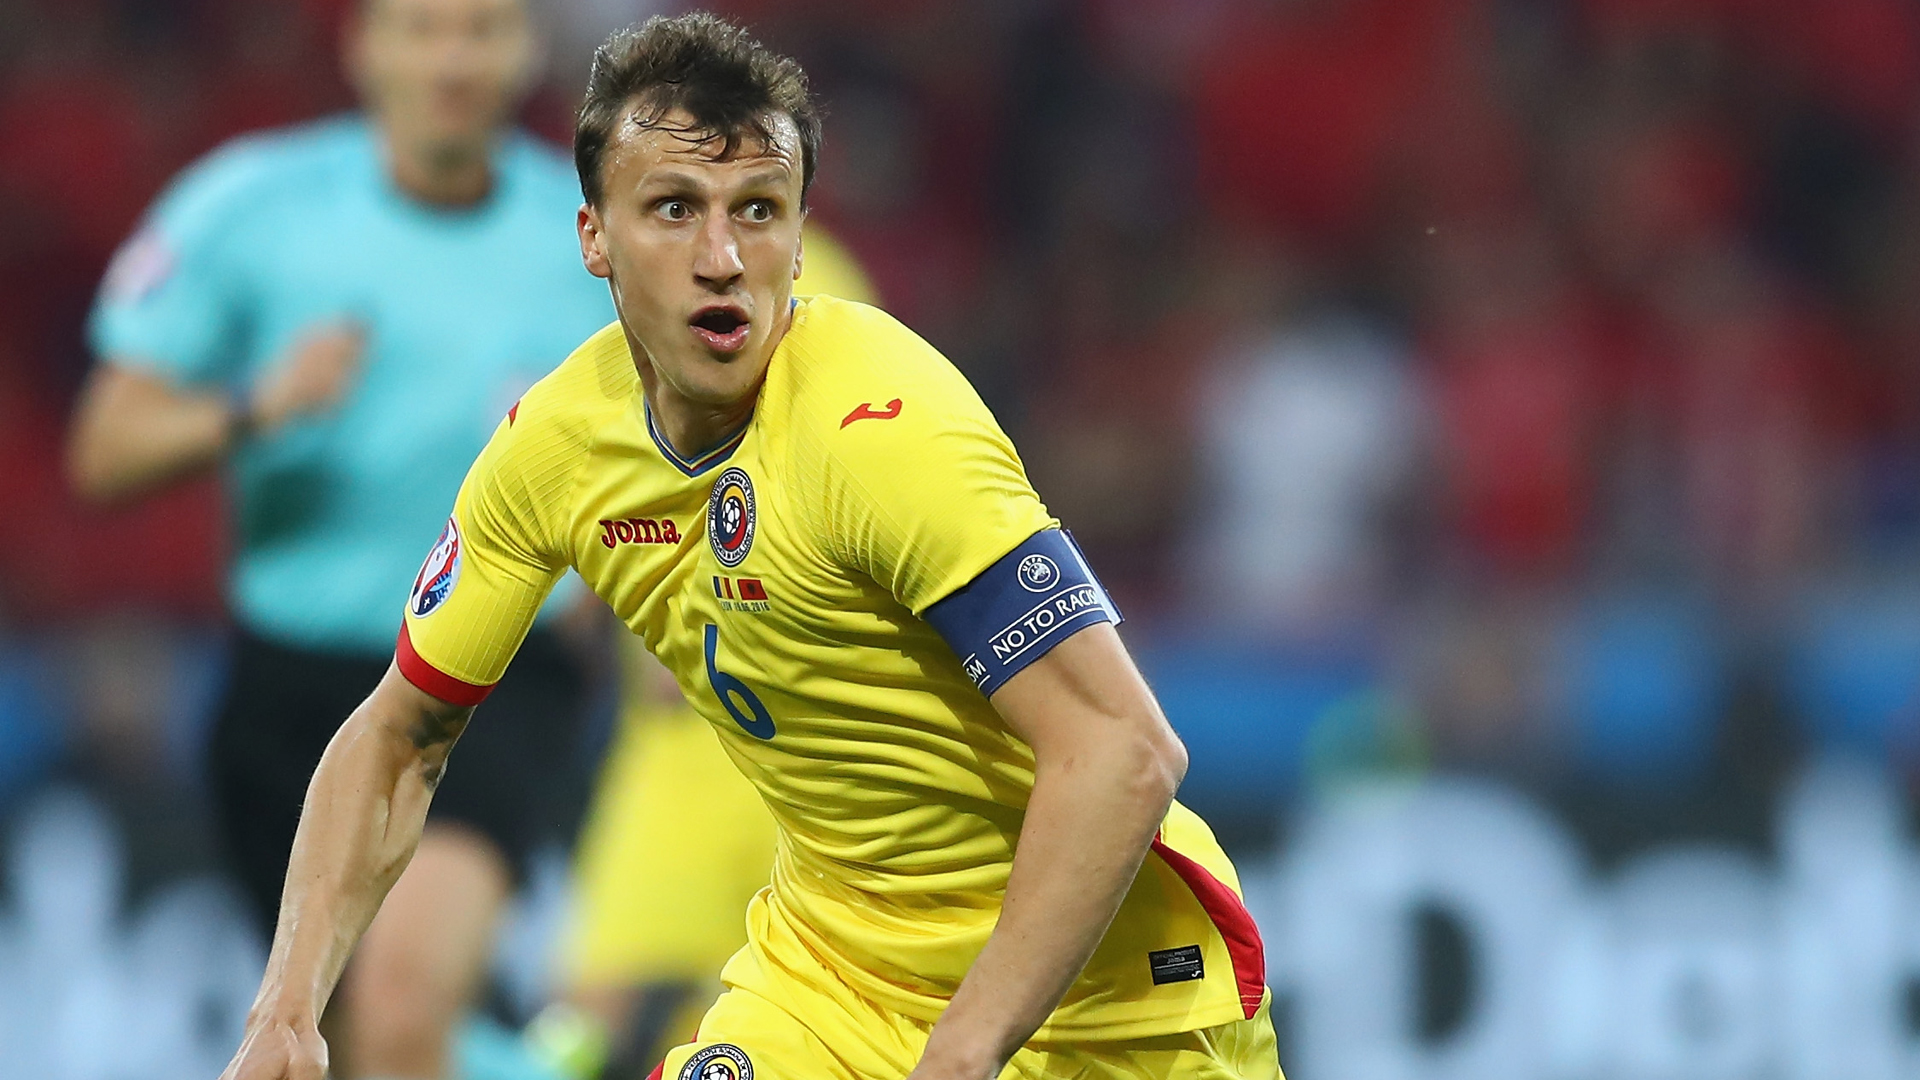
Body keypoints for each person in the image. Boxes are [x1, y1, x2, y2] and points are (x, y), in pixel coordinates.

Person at [219, 12, 1282, 1080]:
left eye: (759, 211)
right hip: (833, 984)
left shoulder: (879, 423)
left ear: (801, 236)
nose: (722, 259)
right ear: (593, 237)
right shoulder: (557, 449)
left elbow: (1122, 749)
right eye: (674, 209)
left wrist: (962, 1052)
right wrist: (287, 1009)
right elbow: (399, 735)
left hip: (1104, 1002)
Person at [67, 0, 611, 1077]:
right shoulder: (250, 207)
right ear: (365, 47)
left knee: (401, 1005)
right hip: (291, 685)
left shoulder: (591, 239)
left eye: (482, 29)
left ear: (527, 52)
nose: (452, 59)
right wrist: (254, 409)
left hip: (493, 675)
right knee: (348, 1039)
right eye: (423, 28)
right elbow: (103, 448)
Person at [542, 228, 879, 1080]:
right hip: (683, 744)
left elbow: (845, 466)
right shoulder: (623, 279)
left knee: (786, 1024)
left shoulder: (822, 285)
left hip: (800, 746)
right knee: (592, 1027)